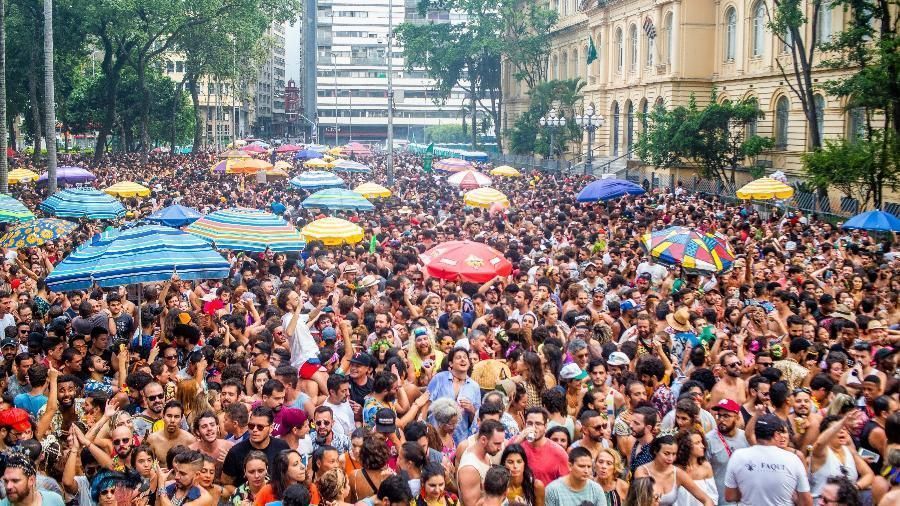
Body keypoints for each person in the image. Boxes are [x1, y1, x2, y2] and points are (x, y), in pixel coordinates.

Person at [723, 414, 813, 506]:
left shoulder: (738, 456)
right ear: (776, 435)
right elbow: (806, 502)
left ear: (756, 433)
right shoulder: (793, 459)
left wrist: (747, 492)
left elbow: (730, 496)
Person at [633, 434, 714, 506]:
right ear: (655, 451)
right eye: (666, 453)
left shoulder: (677, 473)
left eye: (674, 454)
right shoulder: (642, 471)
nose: (670, 458)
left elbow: (707, 500)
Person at [221, 406, 290, 488]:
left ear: (271, 428)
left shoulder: (282, 447)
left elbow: (289, 475)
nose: (254, 430)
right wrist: (242, 494)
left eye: (260, 427)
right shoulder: (235, 452)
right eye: (251, 426)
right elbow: (226, 483)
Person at [809, 412, 874, 499]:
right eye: (837, 429)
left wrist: (855, 487)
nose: (842, 431)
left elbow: (869, 474)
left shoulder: (849, 450)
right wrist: (843, 421)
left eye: (844, 428)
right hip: (823, 501)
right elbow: (819, 443)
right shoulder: (820, 453)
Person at [704, 398, 748, 505]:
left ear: (737, 417)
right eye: (719, 416)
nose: (721, 419)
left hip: (744, 500)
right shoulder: (708, 440)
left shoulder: (746, 437)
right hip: (721, 501)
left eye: (726, 416)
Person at [457, 419, 506, 505]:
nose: (500, 448)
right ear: (483, 440)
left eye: (501, 443)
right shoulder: (470, 468)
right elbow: (472, 504)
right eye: (496, 443)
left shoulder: (484, 454)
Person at [519, 407, 569, 485]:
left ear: (545, 426)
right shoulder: (518, 441)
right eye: (529, 423)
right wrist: (519, 439)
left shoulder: (559, 453)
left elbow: (566, 483)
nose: (533, 427)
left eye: (538, 424)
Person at [1, 450, 66, 506]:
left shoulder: (54, 500)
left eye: (15, 481)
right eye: (6, 481)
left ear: (31, 480)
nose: (8, 486)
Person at [674, 429, 717, 506]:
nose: (702, 446)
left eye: (702, 442)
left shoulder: (706, 467)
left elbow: (713, 496)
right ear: (686, 446)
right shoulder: (675, 469)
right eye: (697, 443)